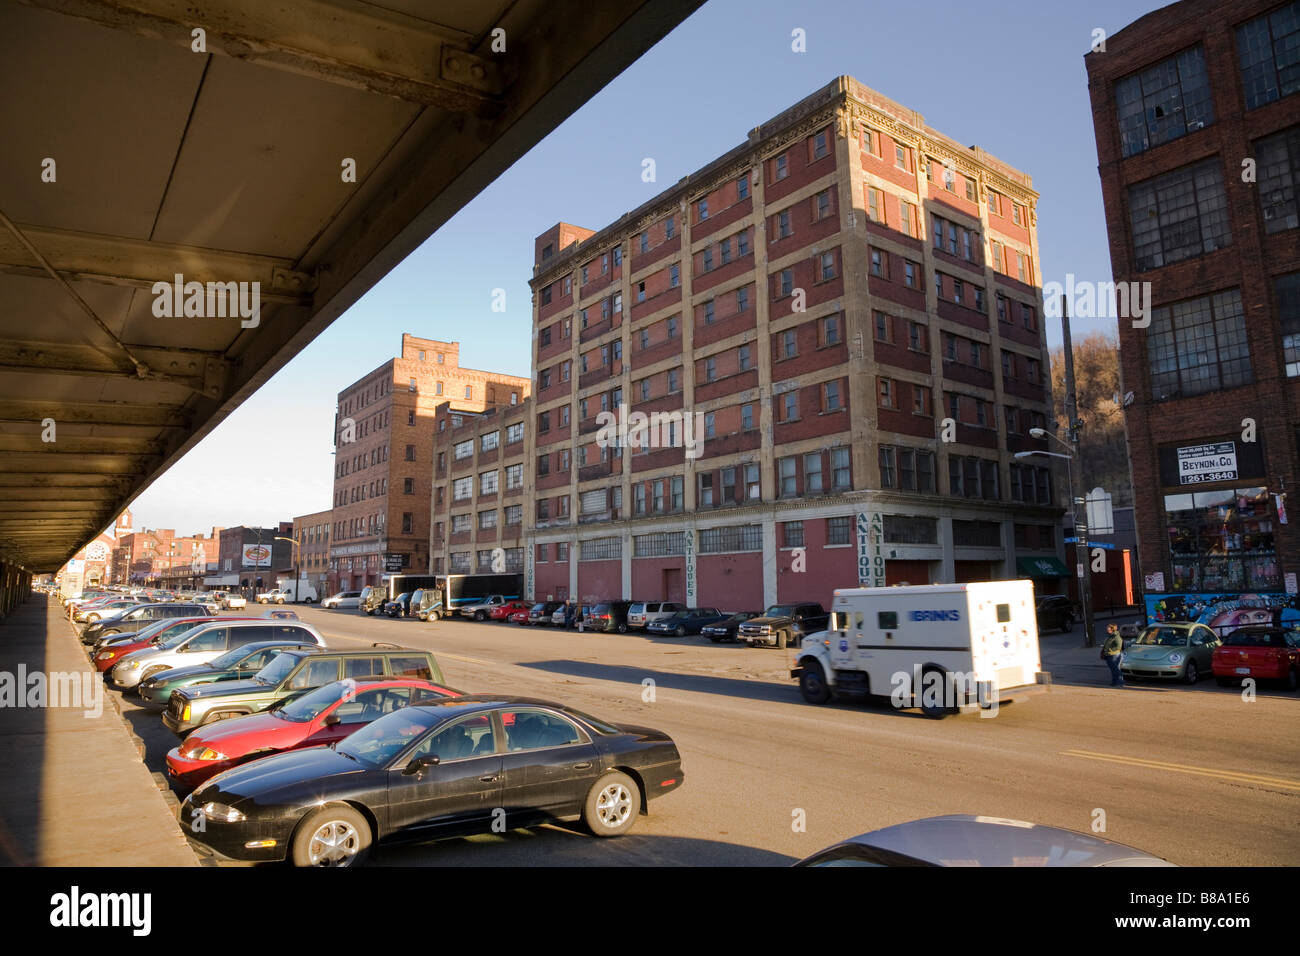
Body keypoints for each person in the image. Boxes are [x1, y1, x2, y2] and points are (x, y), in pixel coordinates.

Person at [1101, 623, 1124, 687]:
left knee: (1116, 669)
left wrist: (1110, 650)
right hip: (1109, 655)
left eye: (1108, 627)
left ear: (1112, 629)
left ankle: (1120, 683)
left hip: (1114, 655)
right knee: (1113, 669)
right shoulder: (1110, 635)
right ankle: (1114, 682)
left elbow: (1118, 646)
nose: (1106, 628)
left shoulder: (1116, 636)